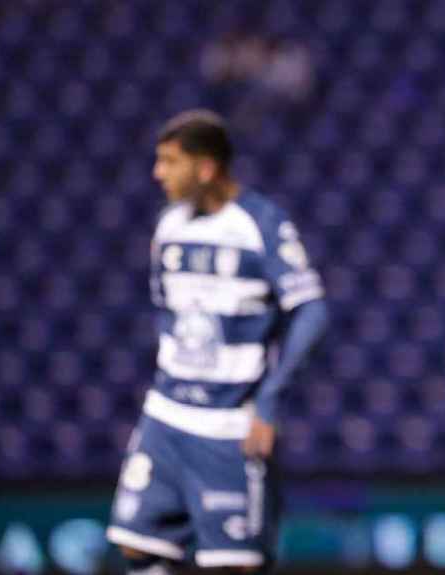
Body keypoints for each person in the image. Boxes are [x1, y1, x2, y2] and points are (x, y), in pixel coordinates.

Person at [106, 109, 328, 573]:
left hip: (229, 427)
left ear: (205, 168)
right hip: (165, 417)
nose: (157, 173)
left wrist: (267, 403)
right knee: (138, 548)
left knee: (232, 565)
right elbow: (166, 310)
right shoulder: (169, 226)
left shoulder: (261, 224)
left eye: (169, 161)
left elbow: (311, 310)